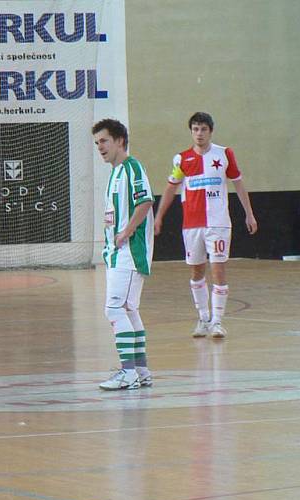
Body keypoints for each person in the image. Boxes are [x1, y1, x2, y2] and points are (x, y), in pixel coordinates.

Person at [154, 112, 258, 339]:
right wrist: (159, 216)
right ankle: (202, 318)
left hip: (218, 223)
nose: (199, 133)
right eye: (195, 129)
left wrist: (249, 214)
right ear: (191, 132)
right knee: (196, 270)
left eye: (203, 129)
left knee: (218, 269)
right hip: (191, 224)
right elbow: (171, 187)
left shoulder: (224, 154)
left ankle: (217, 322)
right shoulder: (181, 159)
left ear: (210, 131)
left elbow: (239, 185)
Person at [92, 118, 154, 390]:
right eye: (96, 143)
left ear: (119, 141)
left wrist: (126, 232)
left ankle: (127, 373)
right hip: (117, 253)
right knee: (128, 309)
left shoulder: (132, 167)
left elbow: (145, 200)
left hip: (129, 252)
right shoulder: (115, 173)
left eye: (104, 141)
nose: (100, 147)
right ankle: (140, 371)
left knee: (114, 309)